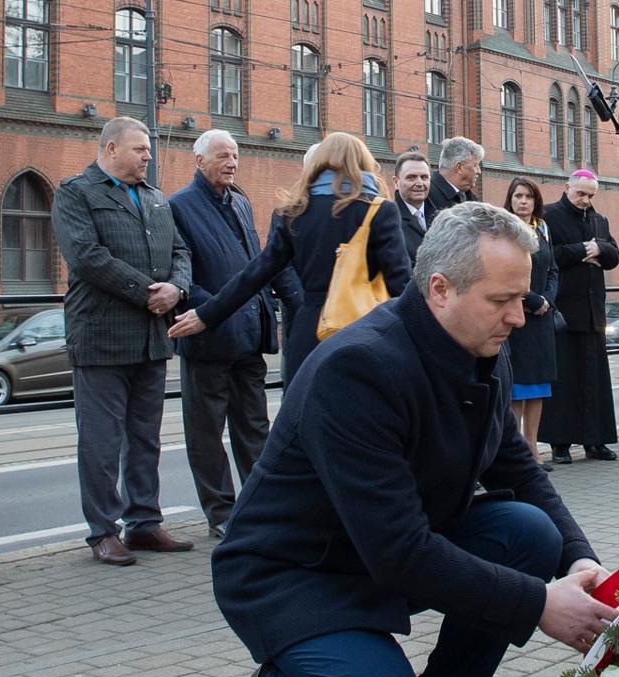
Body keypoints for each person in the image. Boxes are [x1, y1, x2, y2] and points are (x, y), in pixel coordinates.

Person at [215, 202, 617, 677]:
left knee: (531, 533)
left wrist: (579, 561)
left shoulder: (482, 344)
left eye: (523, 297)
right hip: (296, 570)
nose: (520, 315)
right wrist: (537, 603)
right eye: (502, 300)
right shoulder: (359, 369)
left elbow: (517, 467)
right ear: (439, 289)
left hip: (384, 546)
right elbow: (400, 550)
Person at [51, 117, 194, 566]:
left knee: (145, 438)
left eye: (149, 149)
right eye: (140, 149)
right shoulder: (76, 192)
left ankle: (145, 523)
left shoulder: (155, 198)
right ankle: (102, 532)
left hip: (151, 339)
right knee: (100, 441)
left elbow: (181, 253)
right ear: (111, 149)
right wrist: (148, 292)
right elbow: (87, 257)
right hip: (101, 337)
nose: (148, 156)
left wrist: (178, 289)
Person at [169, 132, 412, 383]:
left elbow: (255, 274)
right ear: (362, 162)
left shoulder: (296, 212)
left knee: (307, 413)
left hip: (308, 332)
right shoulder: (380, 210)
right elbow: (400, 281)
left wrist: (206, 315)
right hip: (362, 329)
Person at [169, 130, 304, 538]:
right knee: (206, 434)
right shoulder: (178, 207)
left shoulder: (241, 202)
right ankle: (221, 513)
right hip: (208, 338)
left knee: (254, 428)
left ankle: (260, 505)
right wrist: (217, 311)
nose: (232, 163)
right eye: (223, 156)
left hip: (249, 337)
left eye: (235, 156)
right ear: (199, 161)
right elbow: (181, 275)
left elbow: (259, 264)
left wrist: (288, 302)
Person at [540, 170, 619, 464]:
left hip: (593, 312)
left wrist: (599, 248)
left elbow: (614, 254)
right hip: (565, 310)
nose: (586, 200)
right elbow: (550, 255)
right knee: (563, 383)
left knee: (595, 382)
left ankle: (595, 442)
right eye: (581, 194)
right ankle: (560, 444)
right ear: (567, 188)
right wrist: (583, 250)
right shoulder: (549, 216)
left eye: (590, 195)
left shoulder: (598, 220)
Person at [503, 177, 561, 468]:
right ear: (510, 201)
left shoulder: (543, 228)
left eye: (528, 196)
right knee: (518, 389)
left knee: (538, 387)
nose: (523, 201)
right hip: (517, 317)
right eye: (518, 196)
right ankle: (517, 453)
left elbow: (553, 269)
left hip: (542, 319)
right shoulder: (506, 231)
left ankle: (533, 449)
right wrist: (530, 299)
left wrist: (547, 299)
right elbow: (503, 272)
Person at [393, 151, 434, 266]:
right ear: (396, 182)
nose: (420, 183)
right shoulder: (389, 221)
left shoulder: (441, 216)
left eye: (424, 177)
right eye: (411, 178)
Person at [430, 137, 485, 212]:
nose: (479, 171)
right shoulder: (426, 197)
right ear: (459, 167)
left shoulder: (470, 198)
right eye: (475, 165)